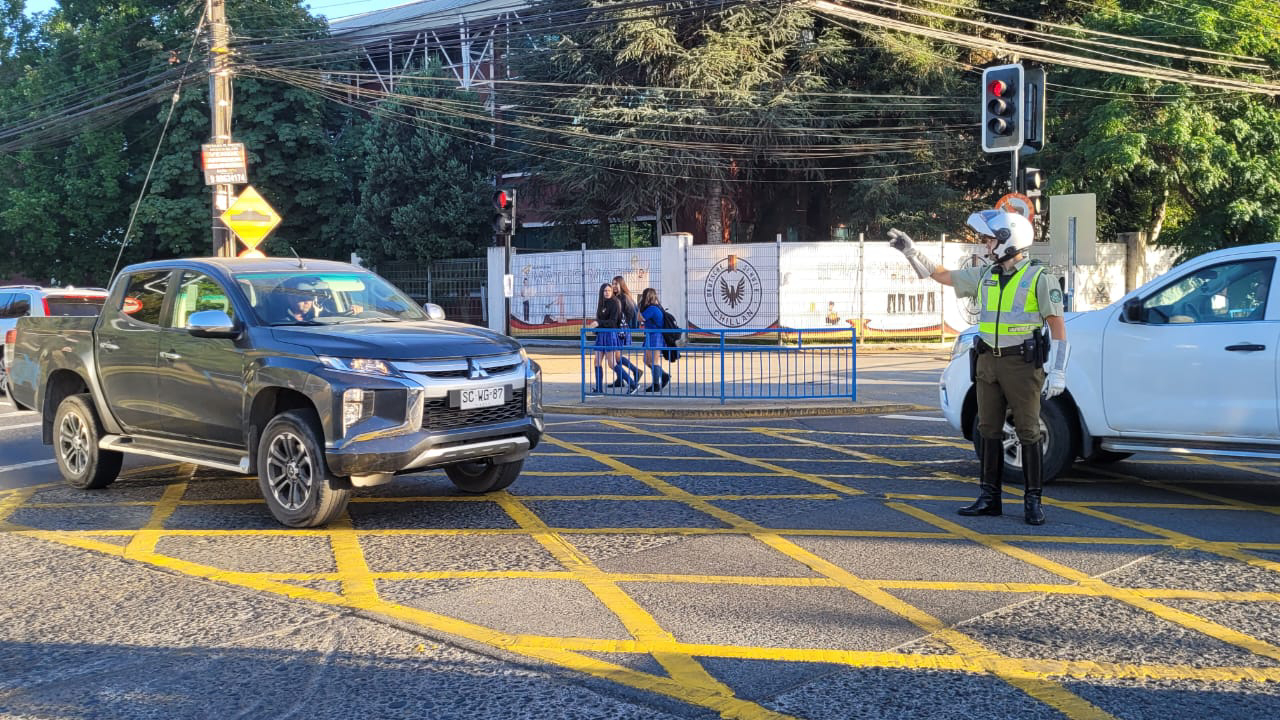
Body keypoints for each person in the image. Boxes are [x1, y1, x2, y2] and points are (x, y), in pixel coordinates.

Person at [889, 210, 1067, 525]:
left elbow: (1058, 327)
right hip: (987, 363)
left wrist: (1059, 370)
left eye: (990, 240)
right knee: (988, 430)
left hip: (1022, 365)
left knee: (1028, 431)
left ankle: (1032, 501)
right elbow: (944, 276)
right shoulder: (986, 275)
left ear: (1009, 240)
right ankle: (989, 498)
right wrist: (912, 252)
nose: (986, 245)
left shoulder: (1039, 278)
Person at [590, 283, 639, 394]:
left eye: (609, 290)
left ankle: (632, 384)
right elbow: (600, 318)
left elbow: (613, 322)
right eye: (605, 291)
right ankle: (599, 389)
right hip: (601, 335)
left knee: (612, 363)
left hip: (610, 335)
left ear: (612, 292)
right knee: (597, 361)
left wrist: (598, 323)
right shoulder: (601, 303)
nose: (607, 293)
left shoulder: (615, 303)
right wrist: (596, 326)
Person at [611, 275, 644, 387]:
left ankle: (635, 371)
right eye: (613, 284)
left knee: (616, 357)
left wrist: (622, 323)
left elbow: (630, 314)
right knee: (616, 356)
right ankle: (620, 379)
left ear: (621, 284)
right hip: (619, 330)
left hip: (621, 330)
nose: (614, 286)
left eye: (616, 284)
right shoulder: (618, 297)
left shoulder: (624, 297)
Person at [638, 287, 671, 392]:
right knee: (647, 360)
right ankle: (664, 375)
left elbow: (640, 318)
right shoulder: (655, 307)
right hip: (650, 335)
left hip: (655, 336)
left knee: (653, 360)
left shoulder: (652, 308)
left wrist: (638, 307)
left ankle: (656, 384)